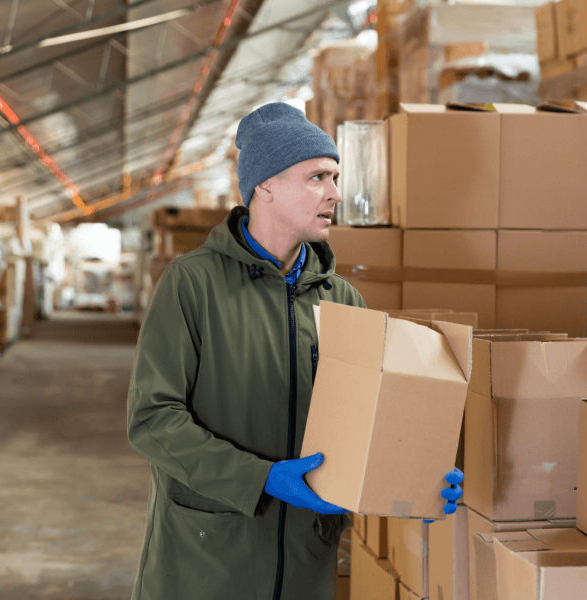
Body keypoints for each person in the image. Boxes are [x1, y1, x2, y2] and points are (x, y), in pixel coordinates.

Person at [126, 102, 463, 600]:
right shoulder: (192, 285)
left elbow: (366, 423)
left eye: (335, 177)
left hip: (305, 564)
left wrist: (418, 468)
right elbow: (152, 420)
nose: (334, 194)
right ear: (265, 185)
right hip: (209, 560)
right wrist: (261, 478)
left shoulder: (342, 299)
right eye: (317, 178)